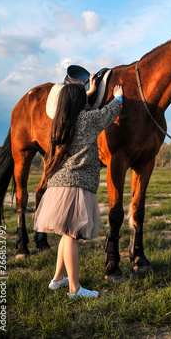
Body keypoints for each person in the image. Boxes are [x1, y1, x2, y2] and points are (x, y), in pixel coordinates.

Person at [34, 75, 123, 299]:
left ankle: (57, 279)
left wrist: (90, 90)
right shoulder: (85, 120)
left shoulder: (61, 121)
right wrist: (119, 99)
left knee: (66, 233)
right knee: (72, 234)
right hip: (76, 184)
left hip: (59, 185)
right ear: (78, 103)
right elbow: (106, 115)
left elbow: (76, 103)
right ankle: (74, 289)